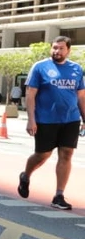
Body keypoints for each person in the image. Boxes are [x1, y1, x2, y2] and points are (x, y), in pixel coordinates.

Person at [18, 36, 85, 210]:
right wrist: (31, 119)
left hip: (70, 119)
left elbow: (81, 96)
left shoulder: (76, 69)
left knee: (67, 154)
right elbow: (30, 94)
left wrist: (84, 118)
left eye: (61, 48)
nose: (57, 51)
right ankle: (26, 175)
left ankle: (59, 195)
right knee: (43, 155)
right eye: (55, 48)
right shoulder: (40, 67)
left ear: (68, 50)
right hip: (45, 119)